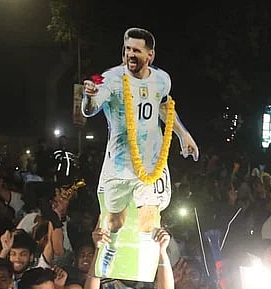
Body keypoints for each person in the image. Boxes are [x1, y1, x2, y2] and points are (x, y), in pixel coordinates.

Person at [82, 27, 198, 271]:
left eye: (136, 50)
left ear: (150, 55)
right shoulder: (111, 79)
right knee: (115, 220)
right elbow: (90, 109)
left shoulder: (162, 80)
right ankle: (111, 248)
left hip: (148, 162)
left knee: (148, 216)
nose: (130, 55)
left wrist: (183, 135)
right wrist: (89, 96)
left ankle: (152, 256)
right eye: (126, 50)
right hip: (120, 164)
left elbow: (165, 109)